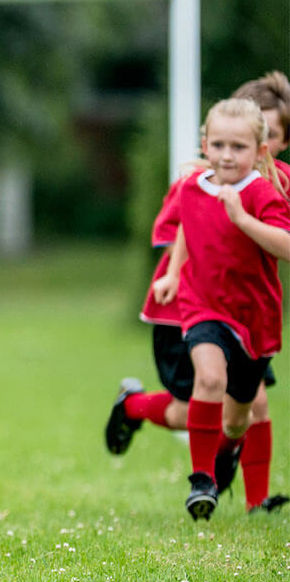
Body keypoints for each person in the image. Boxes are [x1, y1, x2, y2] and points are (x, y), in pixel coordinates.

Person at [108, 73, 290, 514]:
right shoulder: (195, 181)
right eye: (220, 143)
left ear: (268, 143)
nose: (228, 154)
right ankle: (222, 485)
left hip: (251, 314)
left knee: (225, 411)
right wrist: (171, 275)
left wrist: (244, 220)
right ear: (207, 142)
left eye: (245, 141)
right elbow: (186, 225)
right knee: (210, 386)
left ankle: (136, 408)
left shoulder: (273, 186)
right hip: (194, 307)